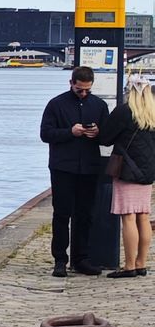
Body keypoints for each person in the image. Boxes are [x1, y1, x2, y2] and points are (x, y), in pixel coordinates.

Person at [40, 65, 110, 277]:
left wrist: (98, 133)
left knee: (85, 214)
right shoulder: (56, 104)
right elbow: (46, 134)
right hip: (63, 167)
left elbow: (107, 137)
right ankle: (60, 259)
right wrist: (70, 132)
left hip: (88, 167)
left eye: (87, 90)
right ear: (71, 83)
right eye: (80, 89)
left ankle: (81, 259)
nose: (84, 93)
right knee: (62, 214)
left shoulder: (99, 105)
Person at [100, 75, 155, 278]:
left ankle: (129, 265)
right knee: (143, 216)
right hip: (148, 170)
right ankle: (142, 263)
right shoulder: (153, 112)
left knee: (129, 217)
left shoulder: (125, 111)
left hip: (128, 169)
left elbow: (105, 138)